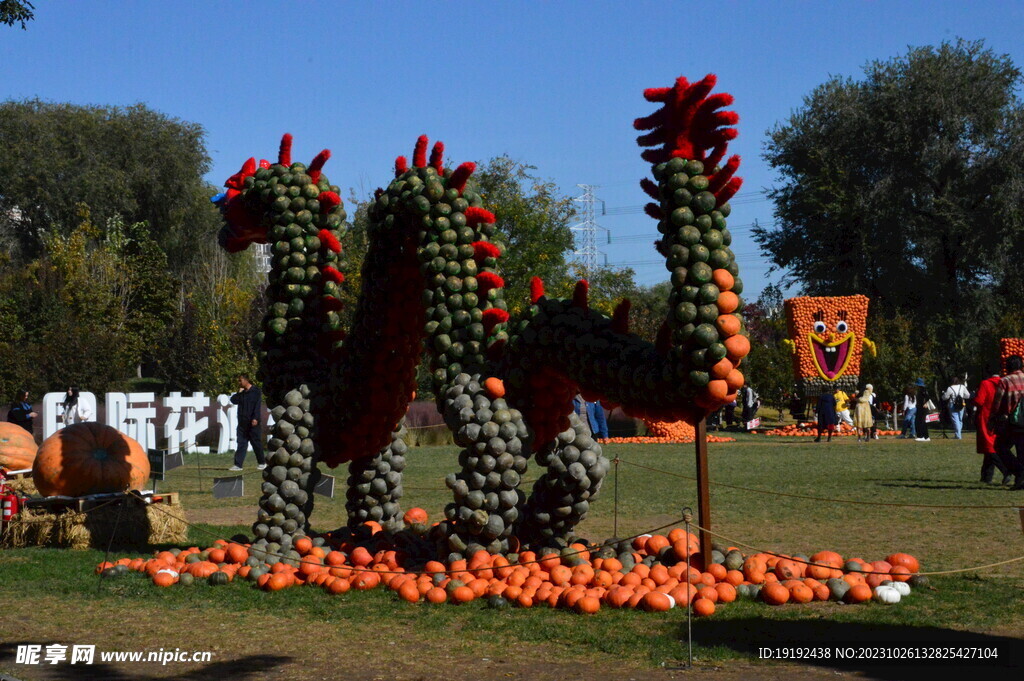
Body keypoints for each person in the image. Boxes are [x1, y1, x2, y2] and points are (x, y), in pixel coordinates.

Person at [990, 355, 1024, 490]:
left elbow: (997, 404)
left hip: (1011, 422)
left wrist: (992, 419)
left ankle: (1019, 472)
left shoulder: (1005, 381)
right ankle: (1020, 479)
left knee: (1000, 447)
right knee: (1022, 451)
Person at [974, 369, 1012, 484]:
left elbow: (979, 401)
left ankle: (1006, 470)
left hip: (986, 417)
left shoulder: (985, 383)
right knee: (991, 446)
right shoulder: (1004, 382)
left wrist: (972, 399)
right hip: (1000, 418)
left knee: (989, 447)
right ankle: (986, 476)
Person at [229, 374, 266, 471]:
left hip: (253, 422)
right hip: (242, 423)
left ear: (246, 380)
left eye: (240, 380)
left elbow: (257, 406)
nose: (239, 382)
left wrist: (255, 418)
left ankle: (262, 462)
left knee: (256, 443)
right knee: (241, 443)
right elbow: (233, 400)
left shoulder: (256, 391)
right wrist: (238, 393)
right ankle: (238, 465)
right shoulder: (242, 393)